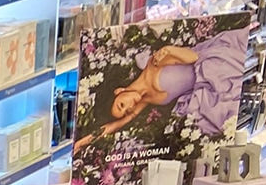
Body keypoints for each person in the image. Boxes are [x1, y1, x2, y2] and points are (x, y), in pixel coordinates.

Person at [74, 37, 244, 148]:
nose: (129, 107)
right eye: (125, 111)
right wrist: (81, 142)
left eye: (122, 104)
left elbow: (194, 58)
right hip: (204, 92)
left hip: (212, 69)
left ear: (119, 91)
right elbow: (113, 126)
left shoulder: (153, 65)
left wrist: (169, 49)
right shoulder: (144, 101)